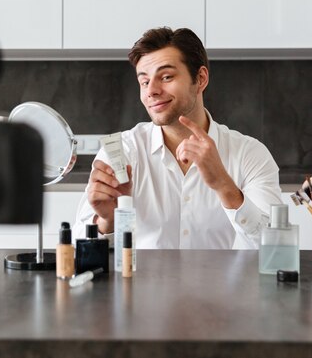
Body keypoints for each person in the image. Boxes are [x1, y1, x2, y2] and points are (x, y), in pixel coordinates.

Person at [73, 27, 282, 249]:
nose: (151, 90)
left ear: (200, 79)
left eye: (166, 77)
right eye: (144, 81)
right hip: (143, 284)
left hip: (223, 284)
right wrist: (107, 222)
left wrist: (223, 185)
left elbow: (275, 246)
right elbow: (77, 248)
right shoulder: (122, 151)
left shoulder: (250, 154)